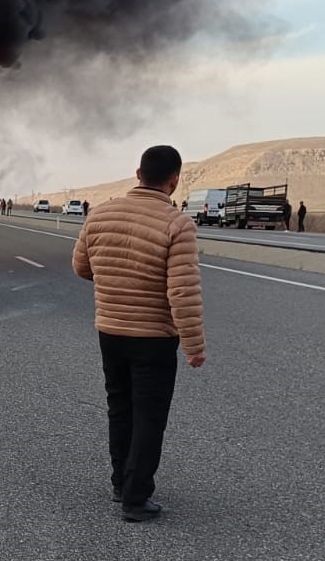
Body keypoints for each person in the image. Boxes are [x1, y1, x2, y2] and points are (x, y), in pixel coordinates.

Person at [72, 145, 205, 523]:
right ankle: (136, 497)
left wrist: (116, 282)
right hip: (153, 338)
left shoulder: (101, 213)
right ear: (174, 179)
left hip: (110, 330)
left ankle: (120, 482)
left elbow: (81, 267)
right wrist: (194, 346)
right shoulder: (177, 224)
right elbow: (182, 291)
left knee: (120, 406)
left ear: (137, 173)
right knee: (149, 415)